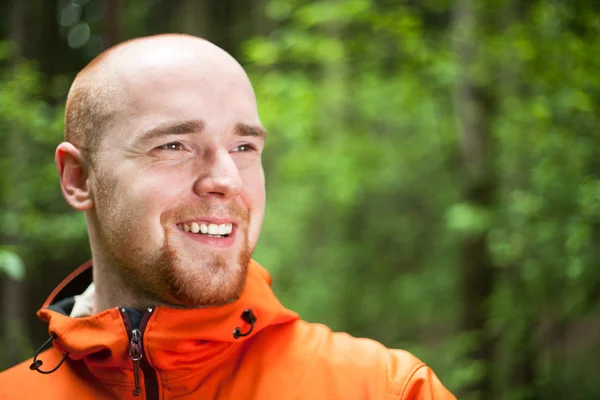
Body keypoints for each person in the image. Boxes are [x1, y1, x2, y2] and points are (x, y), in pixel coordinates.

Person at [0, 34, 455, 399]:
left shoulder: (386, 389)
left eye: (243, 148)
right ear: (78, 178)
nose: (226, 179)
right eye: (173, 146)